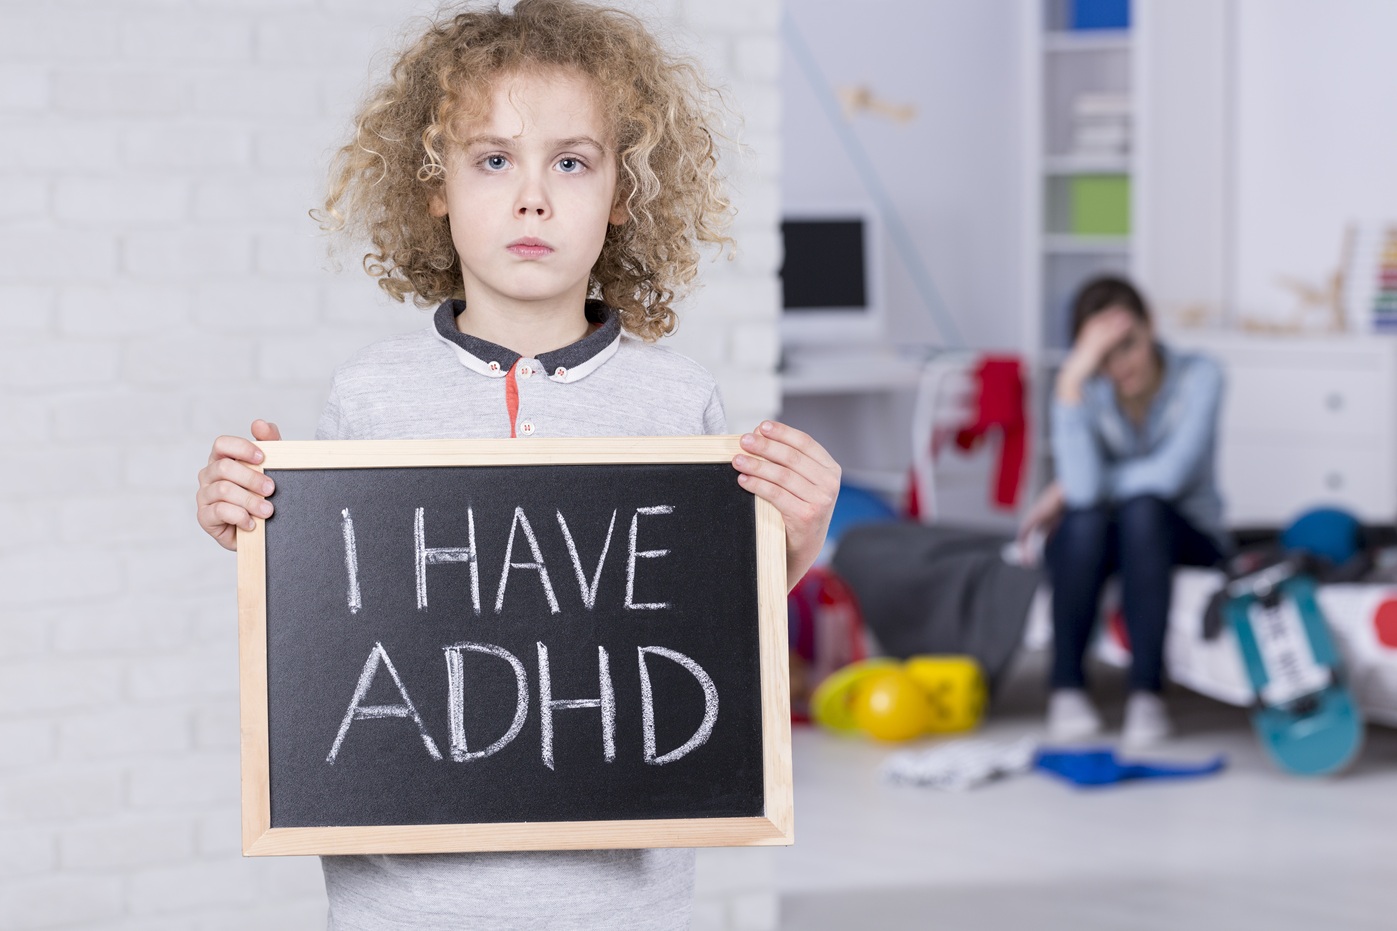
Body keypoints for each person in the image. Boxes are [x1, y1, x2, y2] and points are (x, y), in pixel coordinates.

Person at [193, 2, 840, 927]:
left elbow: (699, 633)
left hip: (618, 904)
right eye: (493, 160)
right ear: (434, 187)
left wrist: (797, 535)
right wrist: (248, 517)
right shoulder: (369, 400)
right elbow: (336, 625)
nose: (531, 197)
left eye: (570, 162)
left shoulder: (676, 404)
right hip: (405, 903)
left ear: (623, 193)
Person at [1019, 276, 1228, 747]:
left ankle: (1147, 695)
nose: (1120, 364)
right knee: (1086, 520)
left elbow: (1169, 476)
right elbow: (1087, 495)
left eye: (1128, 345)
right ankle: (1066, 688)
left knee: (1144, 509)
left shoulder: (1202, 376)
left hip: (1186, 532)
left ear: (1150, 326)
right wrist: (1071, 381)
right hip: (1110, 535)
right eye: (1102, 355)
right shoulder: (1085, 388)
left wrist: (1065, 487)